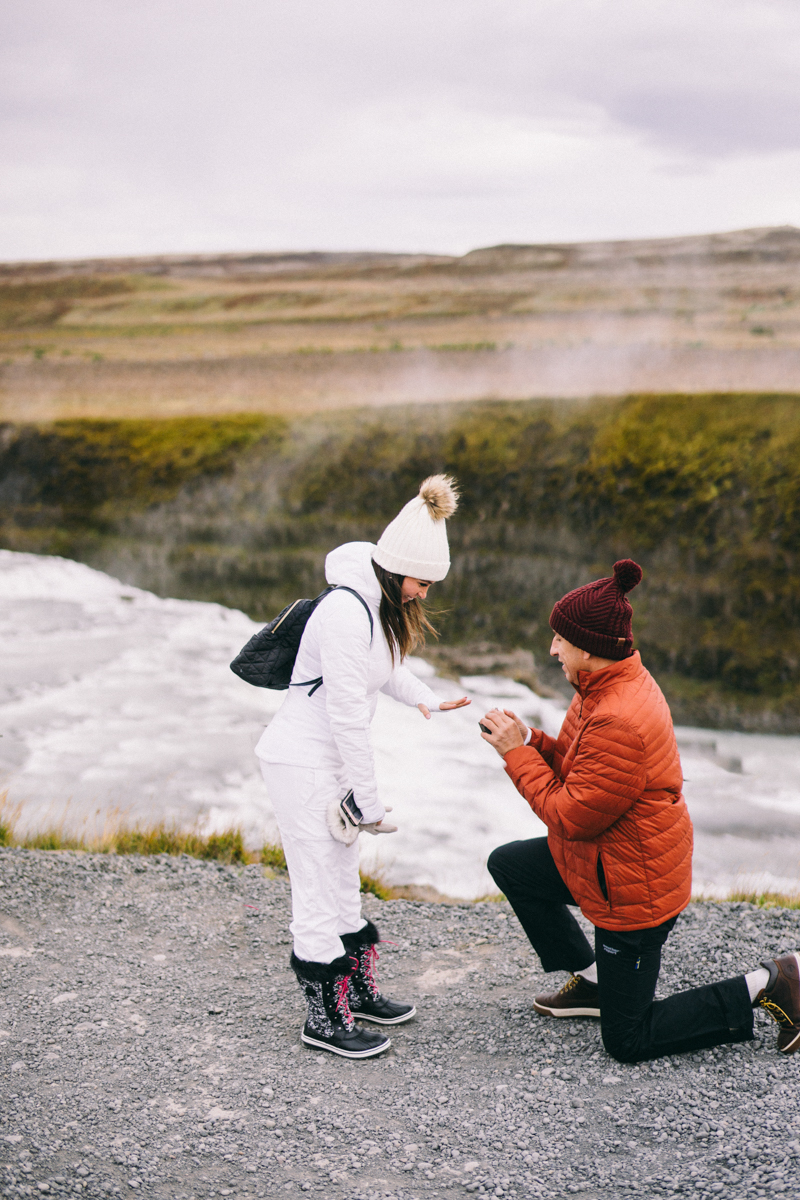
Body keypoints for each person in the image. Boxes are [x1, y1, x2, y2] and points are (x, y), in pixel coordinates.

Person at [480, 559, 800, 1062]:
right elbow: (583, 767)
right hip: (610, 864)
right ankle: (592, 982)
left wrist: (514, 756)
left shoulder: (617, 717)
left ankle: (773, 983)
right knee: (511, 864)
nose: (552, 649)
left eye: (559, 639)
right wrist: (531, 741)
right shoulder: (603, 686)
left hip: (634, 894)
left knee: (628, 1041)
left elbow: (570, 814)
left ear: (587, 647)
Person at [256, 475, 469, 1059]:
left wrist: (424, 696)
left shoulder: (375, 606)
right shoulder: (348, 614)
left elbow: (382, 671)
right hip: (302, 760)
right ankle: (322, 1019)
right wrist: (367, 803)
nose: (423, 594)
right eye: (421, 583)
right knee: (317, 880)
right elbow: (347, 718)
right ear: (397, 570)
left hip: (325, 758)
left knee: (342, 871)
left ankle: (355, 991)